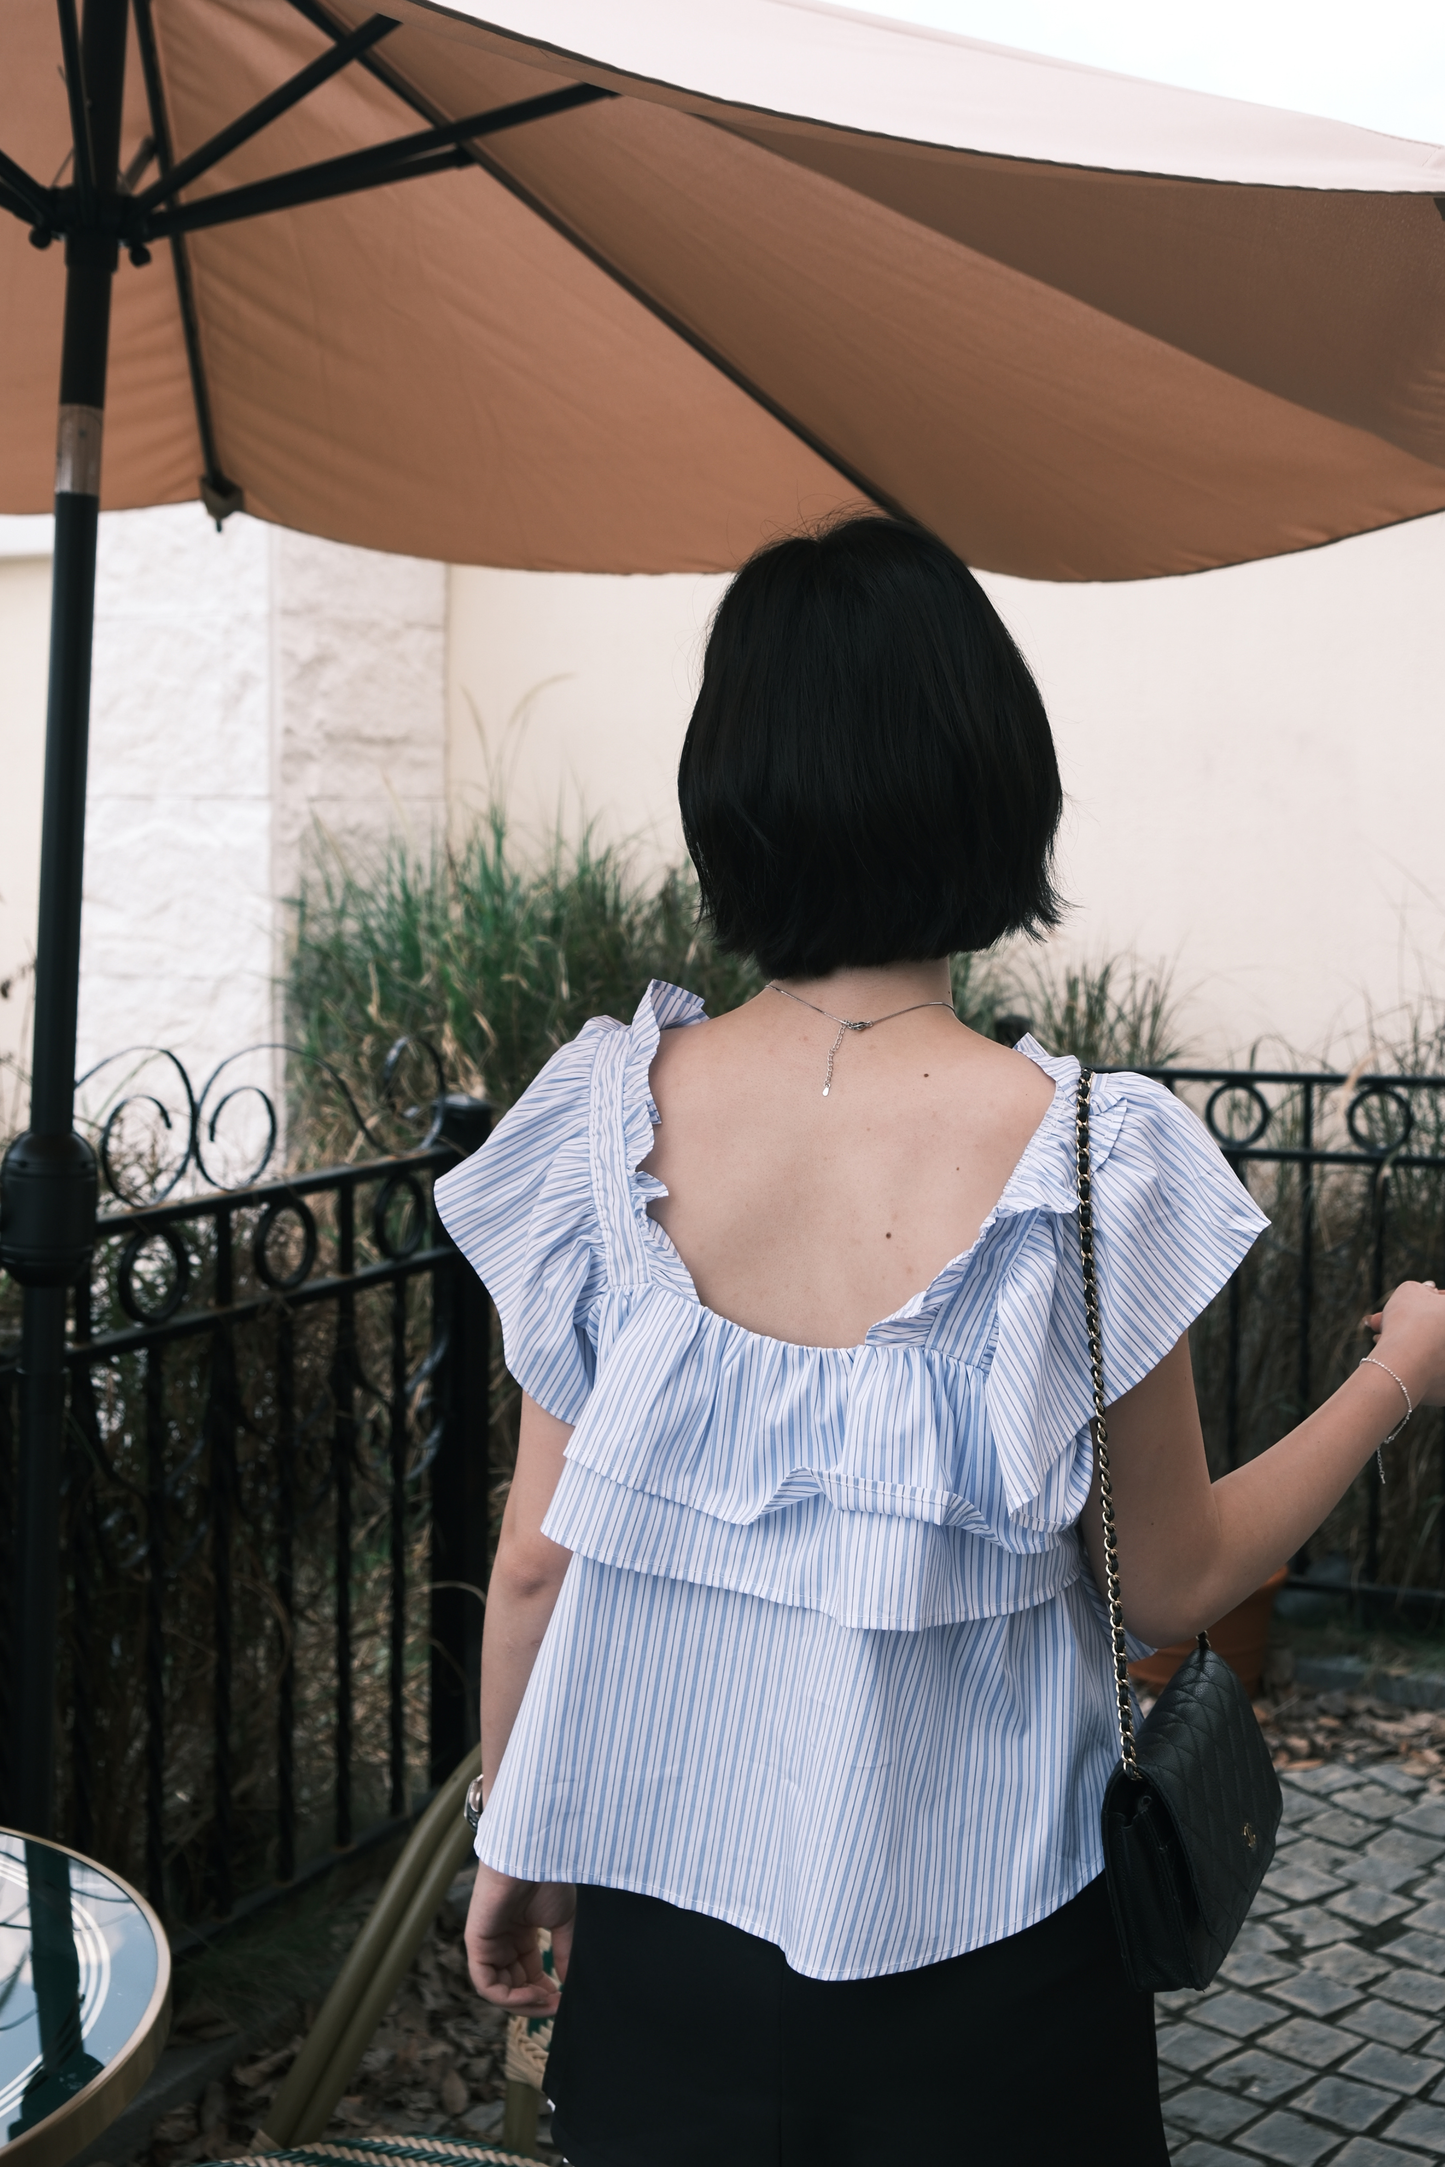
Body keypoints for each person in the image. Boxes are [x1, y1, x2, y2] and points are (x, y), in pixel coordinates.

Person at [437, 515, 1445, 2165]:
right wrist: (1402, 1366)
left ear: (731, 792)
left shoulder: (602, 1126)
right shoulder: (1092, 1158)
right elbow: (1178, 1584)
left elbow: (537, 1568)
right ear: (994, 779)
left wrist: (515, 1828)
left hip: (665, 1950)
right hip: (999, 1982)